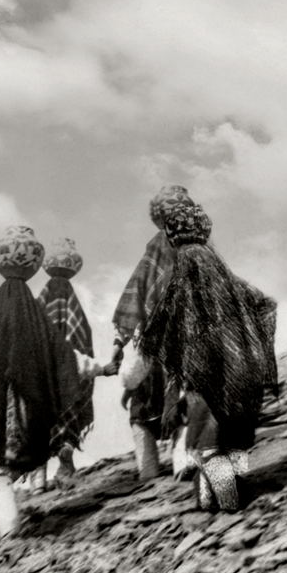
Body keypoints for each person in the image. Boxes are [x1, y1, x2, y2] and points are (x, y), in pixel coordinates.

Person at [0, 226, 101, 538]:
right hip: (28, 406)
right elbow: (63, 352)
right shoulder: (33, 312)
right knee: (9, 467)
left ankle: (9, 529)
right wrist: (97, 368)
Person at [138, 196, 278, 513]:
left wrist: (189, 358)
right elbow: (267, 305)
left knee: (206, 449)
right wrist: (251, 348)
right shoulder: (233, 283)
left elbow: (157, 334)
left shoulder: (181, 283)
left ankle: (230, 507)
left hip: (208, 386)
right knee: (233, 448)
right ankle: (210, 504)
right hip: (244, 379)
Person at [111, 185, 190, 480]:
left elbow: (136, 293)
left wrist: (119, 342)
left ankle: (149, 470)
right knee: (185, 401)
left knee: (142, 409)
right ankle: (183, 462)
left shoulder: (156, 248)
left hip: (156, 342)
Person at [35, 237, 97, 488]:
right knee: (68, 415)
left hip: (43, 379)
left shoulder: (39, 305)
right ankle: (65, 462)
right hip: (68, 378)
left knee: (39, 424)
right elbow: (83, 342)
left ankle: (37, 482)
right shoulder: (74, 307)